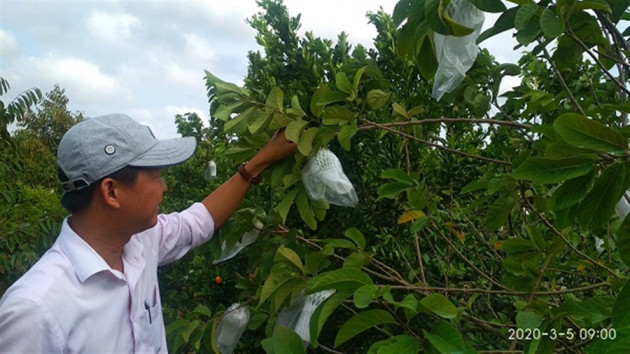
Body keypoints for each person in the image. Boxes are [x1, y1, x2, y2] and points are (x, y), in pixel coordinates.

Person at [0, 113, 296, 353]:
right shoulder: (35, 311)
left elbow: (198, 222)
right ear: (112, 192)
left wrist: (260, 161)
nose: (164, 187)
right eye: (156, 176)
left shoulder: (139, 242)